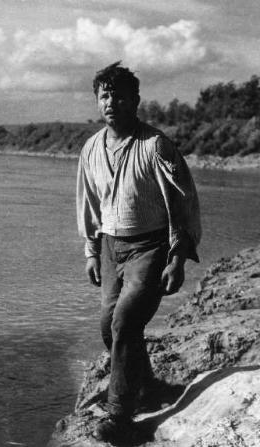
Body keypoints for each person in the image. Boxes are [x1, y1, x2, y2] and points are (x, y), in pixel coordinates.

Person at [75, 62, 201, 442]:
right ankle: (146, 385)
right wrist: (91, 251)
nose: (111, 102)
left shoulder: (155, 144)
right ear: (98, 101)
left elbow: (183, 204)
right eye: (105, 95)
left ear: (136, 101)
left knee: (126, 322)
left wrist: (177, 257)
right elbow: (89, 204)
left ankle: (120, 416)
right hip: (111, 247)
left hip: (151, 246)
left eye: (119, 95)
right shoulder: (92, 148)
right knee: (108, 327)